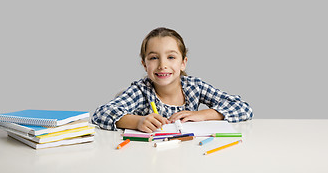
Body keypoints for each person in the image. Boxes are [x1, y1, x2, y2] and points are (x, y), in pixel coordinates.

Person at [91, 27, 253, 133]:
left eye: (171, 57)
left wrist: (203, 114)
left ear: (183, 63)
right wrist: (137, 122)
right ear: (144, 64)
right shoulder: (141, 91)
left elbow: (243, 107)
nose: (162, 65)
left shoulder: (194, 87)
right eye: (154, 58)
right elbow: (100, 114)